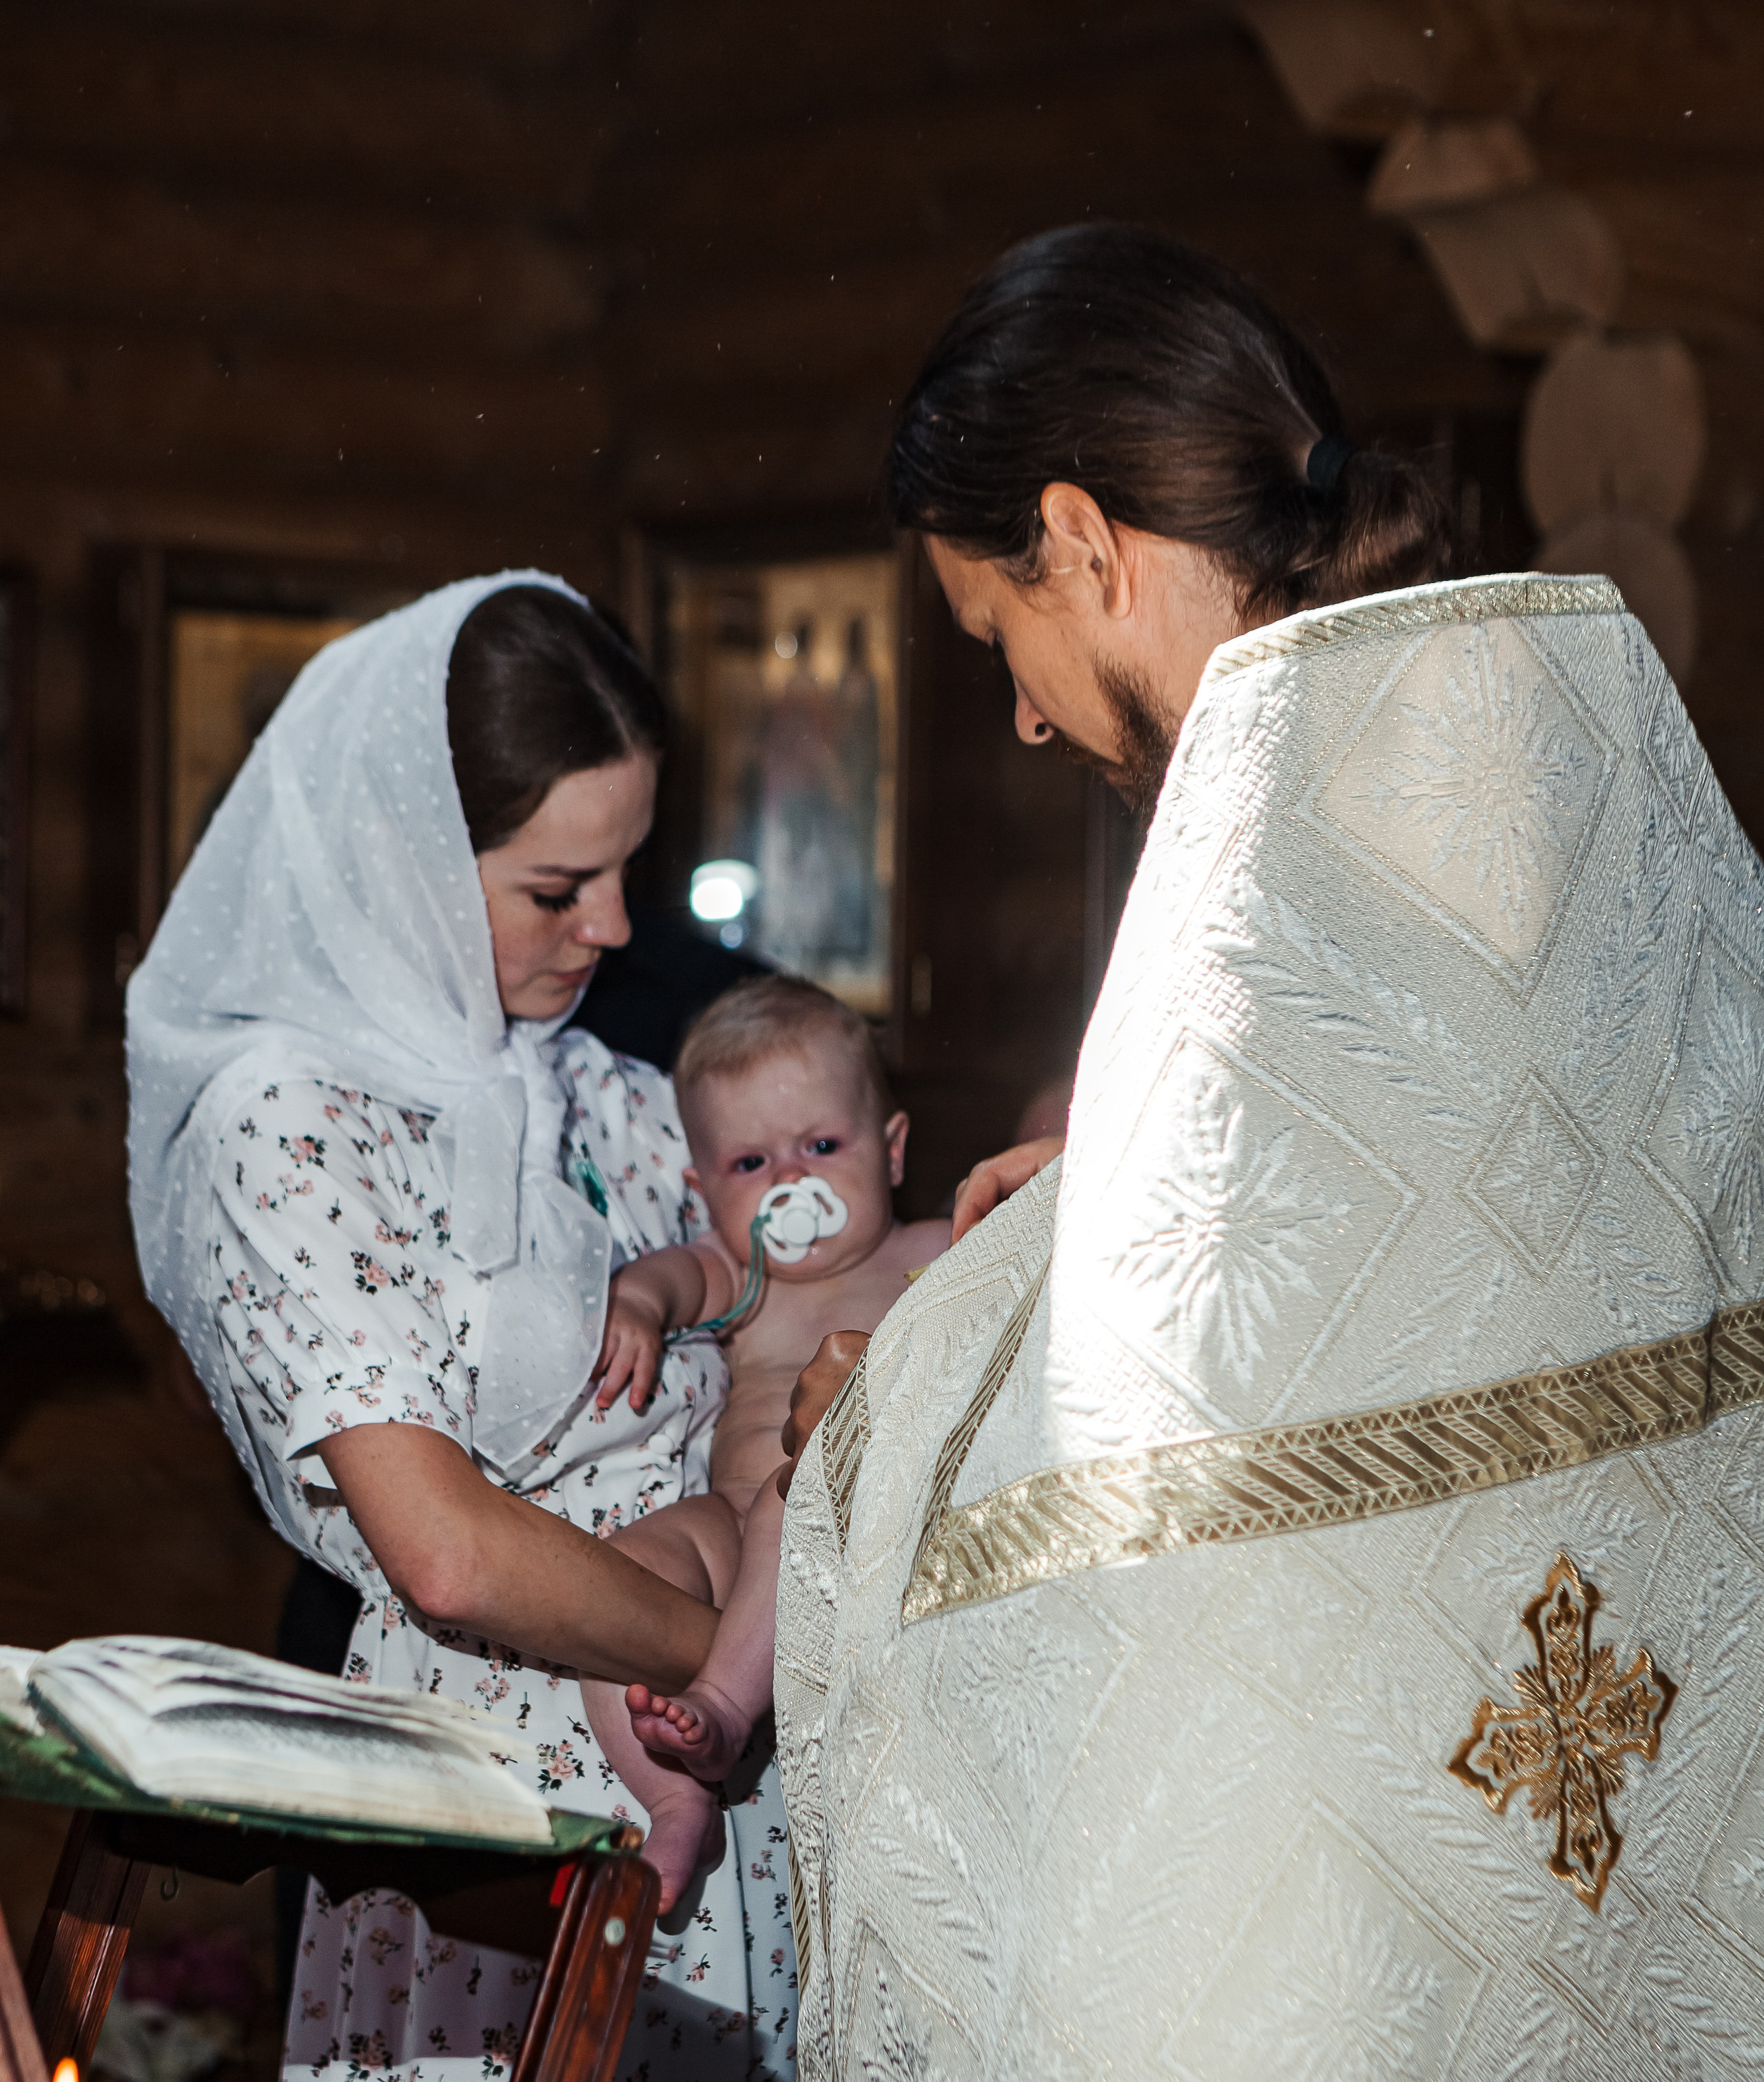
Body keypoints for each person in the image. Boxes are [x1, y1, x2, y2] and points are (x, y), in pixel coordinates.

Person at [774, 223, 1764, 2079]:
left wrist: (899, 1396)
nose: (1020, 708)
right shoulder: (1509, 734)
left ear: (1083, 540)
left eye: (1006, 636)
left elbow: (1211, 1470)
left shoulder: (1289, 832)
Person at [127, 576, 794, 2082]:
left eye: (628, 869)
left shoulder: (600, 1092)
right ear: (405, 858)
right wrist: (739, 1679)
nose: (613, 928)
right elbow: (445, 1546)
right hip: (508, 1797)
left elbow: (782, 1298)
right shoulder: (289, 1113)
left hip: (712, 1768)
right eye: (557, 888)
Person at [578, 974, 950, 1907]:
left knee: (805, 1481)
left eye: (823, 1146)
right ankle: (674, 1802)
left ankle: (725, 1706)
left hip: (845, 1522)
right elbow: (669, 1278)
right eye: (752, 1165)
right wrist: (635, 1302)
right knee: (615, 1583)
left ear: (892, 1149)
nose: (793, 1181)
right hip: (733, 1523)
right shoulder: (739, 1273)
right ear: (704, 1193)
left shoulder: (929, 1250)